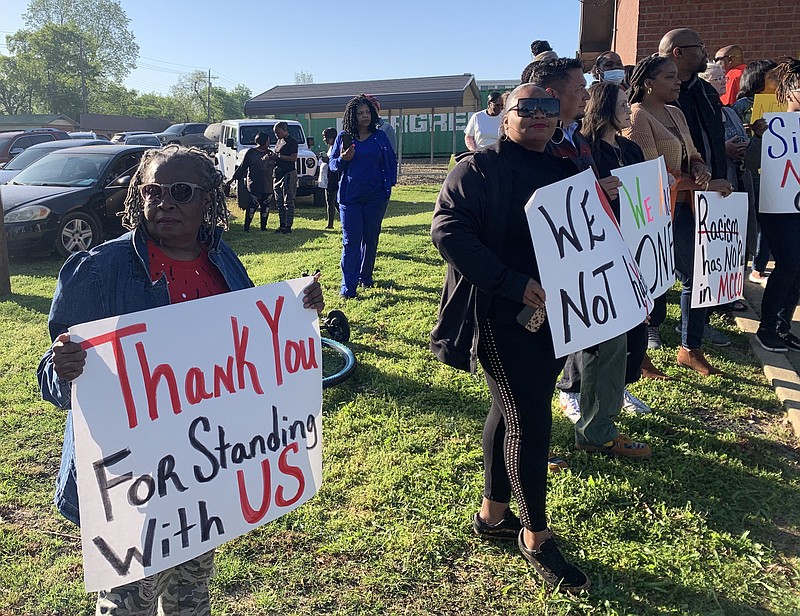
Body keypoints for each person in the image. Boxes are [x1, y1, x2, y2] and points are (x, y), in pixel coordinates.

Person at [36, 145, 325, 614]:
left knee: (191, 596)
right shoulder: (98, 271)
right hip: (132, 481)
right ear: (137, 197)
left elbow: (251, 351)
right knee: (128, 604)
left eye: (181, 192)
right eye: (152, 191)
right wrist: (63, 368)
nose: (164, 202)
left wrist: (296, 310)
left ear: (209, 200)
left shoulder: (223, 262)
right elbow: (51, 379)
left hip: (201, 475)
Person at [431, 83, 590, 593]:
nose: (540, 116)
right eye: (528, 108)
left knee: (512, 412)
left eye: (549, 107)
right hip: (499, 316)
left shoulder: (564, 168)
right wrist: (512, 283)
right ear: (503, 115)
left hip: (554, 315)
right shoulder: (477, 169)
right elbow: (449, 233)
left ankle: (493, 513)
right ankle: (535, 535)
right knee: (531, 420)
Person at [529, 58, 651, 459]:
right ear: (551, 93)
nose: (586, 93)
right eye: (578, 87)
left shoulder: (576, 139)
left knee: (611, 339)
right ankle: (528, 444)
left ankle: (597, 431)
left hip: (588, 259)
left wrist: (602, 191)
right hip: (543, 269)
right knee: (539, 362)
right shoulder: (530, 140)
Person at [625, 54, 733, 377]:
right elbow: (650, 171)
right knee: (652, 281)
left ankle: (690, 348)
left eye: (676, 76)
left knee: (697, 276)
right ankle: (640, 354)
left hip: (686, 205)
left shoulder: (676, 112)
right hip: (656, 212)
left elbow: (693, 152)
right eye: (669, 77)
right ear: (647, 84)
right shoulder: (637, 117)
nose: (677, 82)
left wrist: (700, 168)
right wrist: (704, 182)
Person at [582, 81, 668, 390]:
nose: (628, 111)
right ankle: (579, 390)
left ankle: (622, 385)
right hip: (604, 249)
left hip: (636, 245)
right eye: (621, 106)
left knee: (637, 323)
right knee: (604, 330)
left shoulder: (630, 148)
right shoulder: (586, 148)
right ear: (604, 109)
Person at [660, 29, 735, 348]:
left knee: (703, 264)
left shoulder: (704, 90)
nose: (706, 52)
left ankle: (696, 331)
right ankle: (656, 325)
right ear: (677, 53)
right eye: (699, 48)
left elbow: (708, 138)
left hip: (711, 188)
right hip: (674, 197)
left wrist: (712, 171)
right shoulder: (659, 97)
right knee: (667, 266)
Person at [328, 95, 397, 299]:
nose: (365, 116)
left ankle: (365, 277)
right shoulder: (343, 137)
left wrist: (388, 187)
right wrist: (343, 158)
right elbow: (332, 166)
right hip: (351, 198)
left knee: (370, 239)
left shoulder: (380, 137)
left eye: (368, 112)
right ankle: (348, 288)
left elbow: (391, 162)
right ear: (352, 115)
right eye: (360, 113)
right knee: (351, 242)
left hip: (376, 197)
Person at [752, 58, 800, 352]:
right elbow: (752, 163)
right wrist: (758, 137)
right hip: (776, 205)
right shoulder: (772, 125)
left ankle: (783, 326)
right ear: (791, 89)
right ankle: (767, 326)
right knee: (789, 262)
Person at [733, 60, 778, 285]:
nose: (778, 81)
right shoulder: (742, 106)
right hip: (752, 172)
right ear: (758, 79)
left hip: (776, 171)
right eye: (773, 77)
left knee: (769, 221)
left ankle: (759, 266)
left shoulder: (785, 104)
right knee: (753, 221)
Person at [225, 131, 275, 232]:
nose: (269, 143)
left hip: (267, 184)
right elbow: (242, 167)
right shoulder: (251, 153)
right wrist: (233, 179)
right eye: (268, 141)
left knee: (265, 206)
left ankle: (263, 227)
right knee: (252, 206)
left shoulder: (270, 154)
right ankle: (247, 227)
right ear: (263, 142)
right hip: (254, 185)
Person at [272, 121, 298, 234]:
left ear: (284, 130)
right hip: (278, 173)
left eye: (278, 132)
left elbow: (293, 158)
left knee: (288, 200)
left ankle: (288, 225)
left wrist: (279, 156)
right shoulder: (279, 141)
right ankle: (282, 224)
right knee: (279, 201)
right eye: (275, 133)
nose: (276, 135)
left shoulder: (292, 142)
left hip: (288, 173)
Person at [320, 127, 340, 229]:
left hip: (333, 178)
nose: (324, 140)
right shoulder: (332, 147)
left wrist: (327, 160)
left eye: (325, 137)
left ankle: (330, 224)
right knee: (334, 201)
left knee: (331, 201)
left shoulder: (337, 148)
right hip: (328, 178)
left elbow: (335, 163)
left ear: (331, 138)